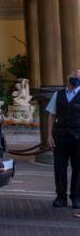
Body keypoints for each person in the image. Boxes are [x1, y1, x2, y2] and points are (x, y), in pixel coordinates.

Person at [46, 71, 80, 209]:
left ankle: (77, 198)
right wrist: (49, 135)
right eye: (74, 76)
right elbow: (51, 115)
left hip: (78, 138)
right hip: (60, 137)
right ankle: (61, 197)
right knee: (59, 168)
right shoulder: (57, 95)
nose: (76, 79)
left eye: (79, 77)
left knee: (78, 169)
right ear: (68, 78)